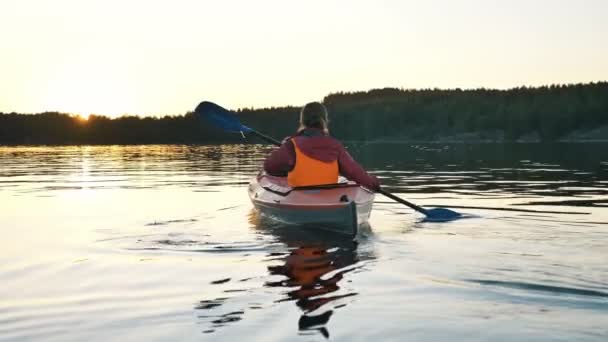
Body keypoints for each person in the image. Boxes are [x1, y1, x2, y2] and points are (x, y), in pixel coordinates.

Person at [263, 102, 380, 191]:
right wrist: (373, 183)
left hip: (300, 197)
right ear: (325, 121)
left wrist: (285, 158)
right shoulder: (335, 146)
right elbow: (354, 171)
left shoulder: (291, 145)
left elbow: (270, 167)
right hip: (328, 198)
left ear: (302, 122)